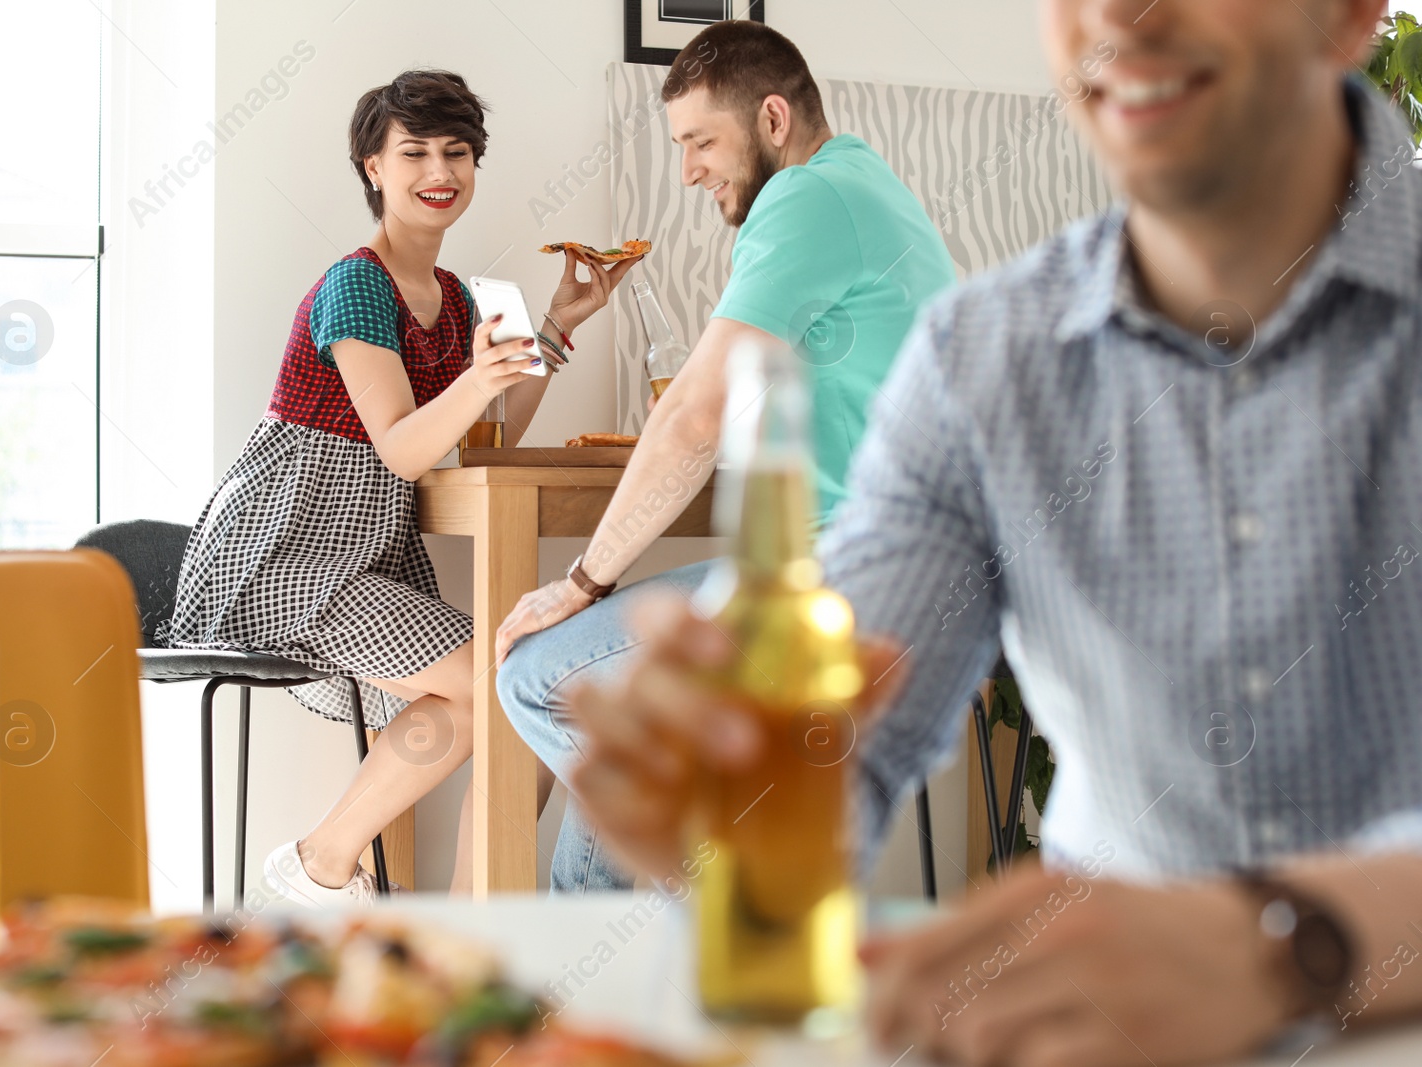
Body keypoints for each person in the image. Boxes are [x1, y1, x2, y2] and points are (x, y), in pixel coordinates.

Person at [566, 0, 1422, 1062]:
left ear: (1348, 15)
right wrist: (739, 805)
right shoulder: (978, 360)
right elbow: (841, 749)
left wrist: (1287, 945)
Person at [493, 20, 957, 892]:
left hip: (843, 581)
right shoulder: (866, 185)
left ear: (773, 118)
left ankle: (715, 884)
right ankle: (635, 947)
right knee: (639, 717)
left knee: (533, 675)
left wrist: (582, 582)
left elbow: (695, 418)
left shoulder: (807, 198)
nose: (688, 170)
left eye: (701, 141)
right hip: (896, 572)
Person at [161, 69, 635, 904]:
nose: (438, 169)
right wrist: (480, 380)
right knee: (516, 675)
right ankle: (387, 889)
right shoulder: (356, 284)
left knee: (521, 683)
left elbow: (488, 438)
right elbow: (405, 450)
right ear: (373, 168)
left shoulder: (454, 299)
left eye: (456, 151)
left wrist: (557, 326)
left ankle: (342, 872)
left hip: (359, 554)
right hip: (282, 551)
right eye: (413, 151)